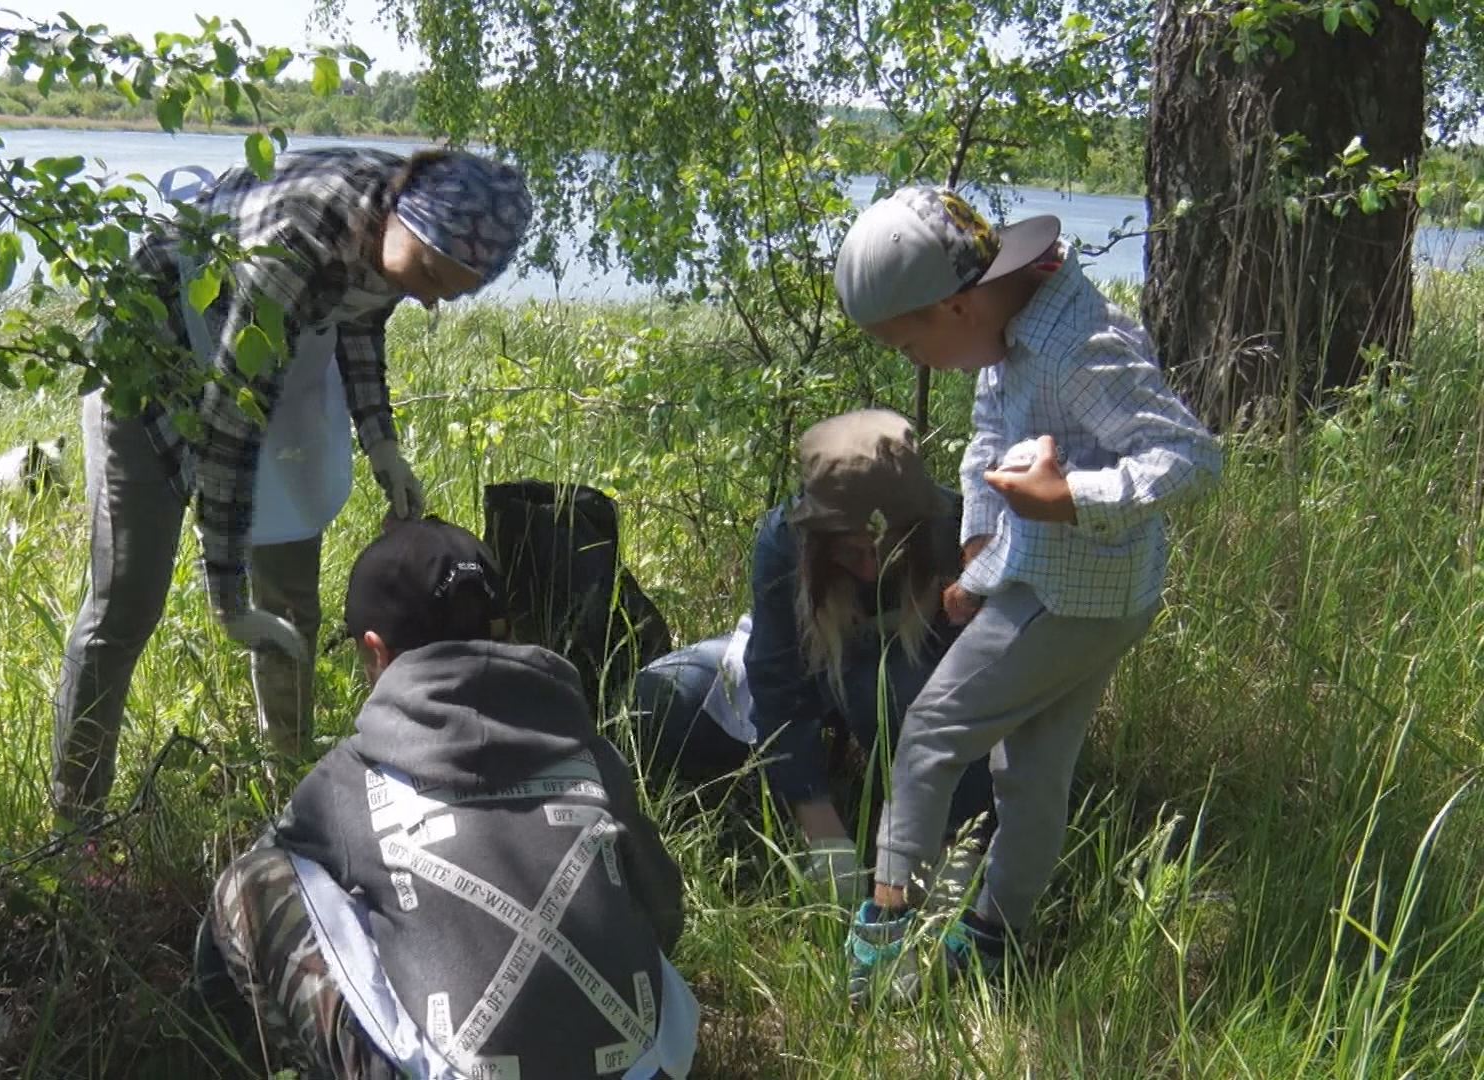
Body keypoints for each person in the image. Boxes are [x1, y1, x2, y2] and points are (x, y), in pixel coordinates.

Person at [53, 147, 533, 830]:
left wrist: (381, 441)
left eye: (446, 294)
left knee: (292, 600)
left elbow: (363, 311)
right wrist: (227, 603)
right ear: (402, 218)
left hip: (264, 370)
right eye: (428, 275)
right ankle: (75, 827)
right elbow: (227, 433)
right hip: (151, 369)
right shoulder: (295, 242)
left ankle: (290, 796)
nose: (426, 297)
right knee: (124, 605)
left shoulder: (394, 227)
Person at [830, 186, 1221, 1004]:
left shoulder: (1081, 344)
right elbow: (987, 440)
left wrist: (1070, 495)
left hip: (1072, 587)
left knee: (933, 731)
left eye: (909, 347)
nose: (913, 364)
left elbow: (1191, 457)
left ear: (958, 306)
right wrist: (979, 540)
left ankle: (884, 937)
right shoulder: (1005, 337)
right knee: (1033, 769)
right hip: (1078, 584)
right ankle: (998, 940)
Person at [196, 519, 697, 1079]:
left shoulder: (344, 782)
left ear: (376, 653)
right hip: (645, 1069)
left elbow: (253, 911)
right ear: (504, 631)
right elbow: (664, 908)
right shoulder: (591, 753)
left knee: (251, 882)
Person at [630, 410, 993, 906]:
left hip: (908, 686)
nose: (867, 570)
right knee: (660, 696)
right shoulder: (784, 539)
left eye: (881, 551)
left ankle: (940, 830)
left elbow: (980, 695)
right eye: (849, 553)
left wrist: (961, 837)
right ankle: (795, 779)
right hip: (813, 669)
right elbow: (776, 675)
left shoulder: (959, 534)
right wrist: (819, 824)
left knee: (879, 685)